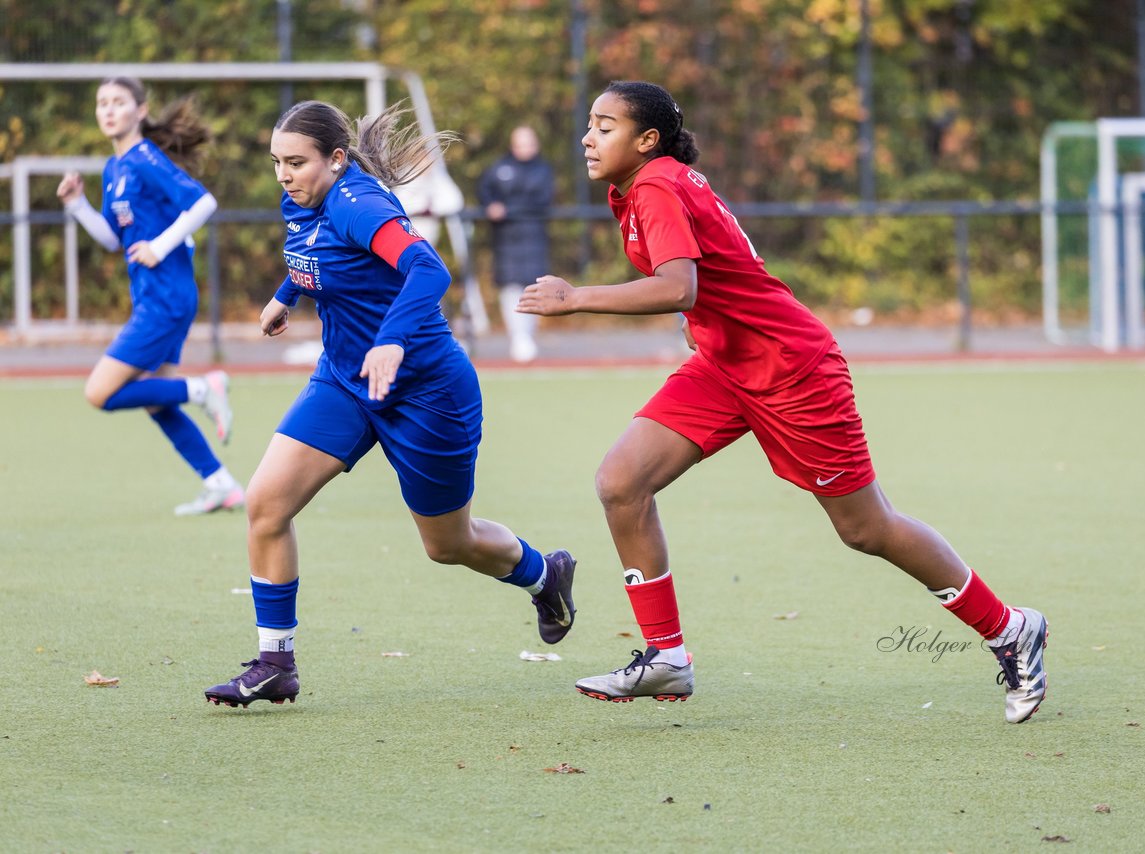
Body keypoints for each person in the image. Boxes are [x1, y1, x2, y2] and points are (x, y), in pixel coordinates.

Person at [518, 81, 1047, 723]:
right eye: (591, 124)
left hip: (791, 369)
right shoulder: (644, 184)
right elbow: (712, 278)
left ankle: (1010, 628)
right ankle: (666, 657)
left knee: (867, 529)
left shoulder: (656, 184)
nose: (588, 136)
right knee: (622, 481)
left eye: (604, 126)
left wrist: (575, 299)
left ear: (647, 140)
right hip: (726, 364)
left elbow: (677, 286)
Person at [204, 101, 576, 708]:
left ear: (337, 159)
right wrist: (285, 295)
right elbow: (314, 257)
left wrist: (391, 341)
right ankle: (275, 663)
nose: (283, 175)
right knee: (267, 504)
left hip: (426, 391)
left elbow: (427, 271)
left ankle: (544, 574)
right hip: (347, 383)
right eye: (277, 162)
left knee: (448, 545)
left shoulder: (360, 204)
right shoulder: (303, 196)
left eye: (296, 162)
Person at [56, 76, 242, 517]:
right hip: (155, 298)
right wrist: (78, 206)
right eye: (102, 102)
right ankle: (220, 484)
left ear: (140, 111)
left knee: (99, 392)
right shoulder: (114, 167)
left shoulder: (144, 158)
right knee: (157, 400)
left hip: (166, 298)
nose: (108, 110)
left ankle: (204, 387)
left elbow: (203, 203)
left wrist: (162, 245)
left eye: (118, 102)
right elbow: (110, 238)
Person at [477, 125, 555, 363]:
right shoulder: (499, 168)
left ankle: (527, 336)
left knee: (533, 286)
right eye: (520, 143)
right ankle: (517, 337)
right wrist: (491, 206)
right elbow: (485, 191)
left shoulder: (543, 170)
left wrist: (508, 209)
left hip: (533, 237)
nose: (525, 148)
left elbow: (542, 200)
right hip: (505, 239)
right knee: (509, 287)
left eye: (529, 143)